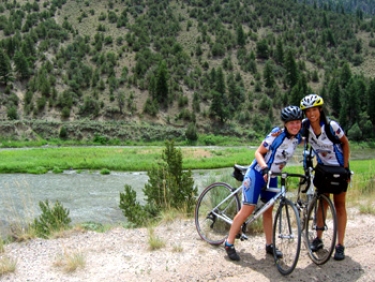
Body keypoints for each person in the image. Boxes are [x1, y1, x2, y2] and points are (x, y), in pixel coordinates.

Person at [224, 106, 303, 261]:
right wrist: (265, 169)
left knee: (268, 210)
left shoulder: (298, 138)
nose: (295, 126)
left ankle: (269, 245)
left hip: (273, 176)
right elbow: (258, 152)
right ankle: (229, 243)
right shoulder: (276, 134)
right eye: (292, 123)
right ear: (285, 123)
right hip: (258, 173)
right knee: (248, 209)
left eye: (298, 122)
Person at [299, 94, 350, 261]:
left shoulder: (331, 126)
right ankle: (318, 238)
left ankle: (340, 245)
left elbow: (345, 143)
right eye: (308, 111)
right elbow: (296, 138)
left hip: (338, 168)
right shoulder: (305, 126)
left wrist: (346, 168)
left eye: (314, 109)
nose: (311, 113)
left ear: (320, 110)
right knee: (322, 201)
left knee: (340, 205)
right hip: (322, 169)